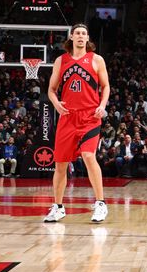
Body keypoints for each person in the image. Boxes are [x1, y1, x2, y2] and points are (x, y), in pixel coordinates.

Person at [44, 24, 111, 223]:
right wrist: (56, 104)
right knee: (60, 164)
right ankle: (58, 207)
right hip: (67, 117)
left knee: (89, 156)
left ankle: (100, 203)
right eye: (77, 33)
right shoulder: (61, 60)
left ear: (87, 38)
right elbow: (51, 90)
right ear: (71, 37)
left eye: (84, 33)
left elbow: (106, 86)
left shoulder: (96, 59)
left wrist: (102, 105)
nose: (80, 36)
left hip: (90, 117)